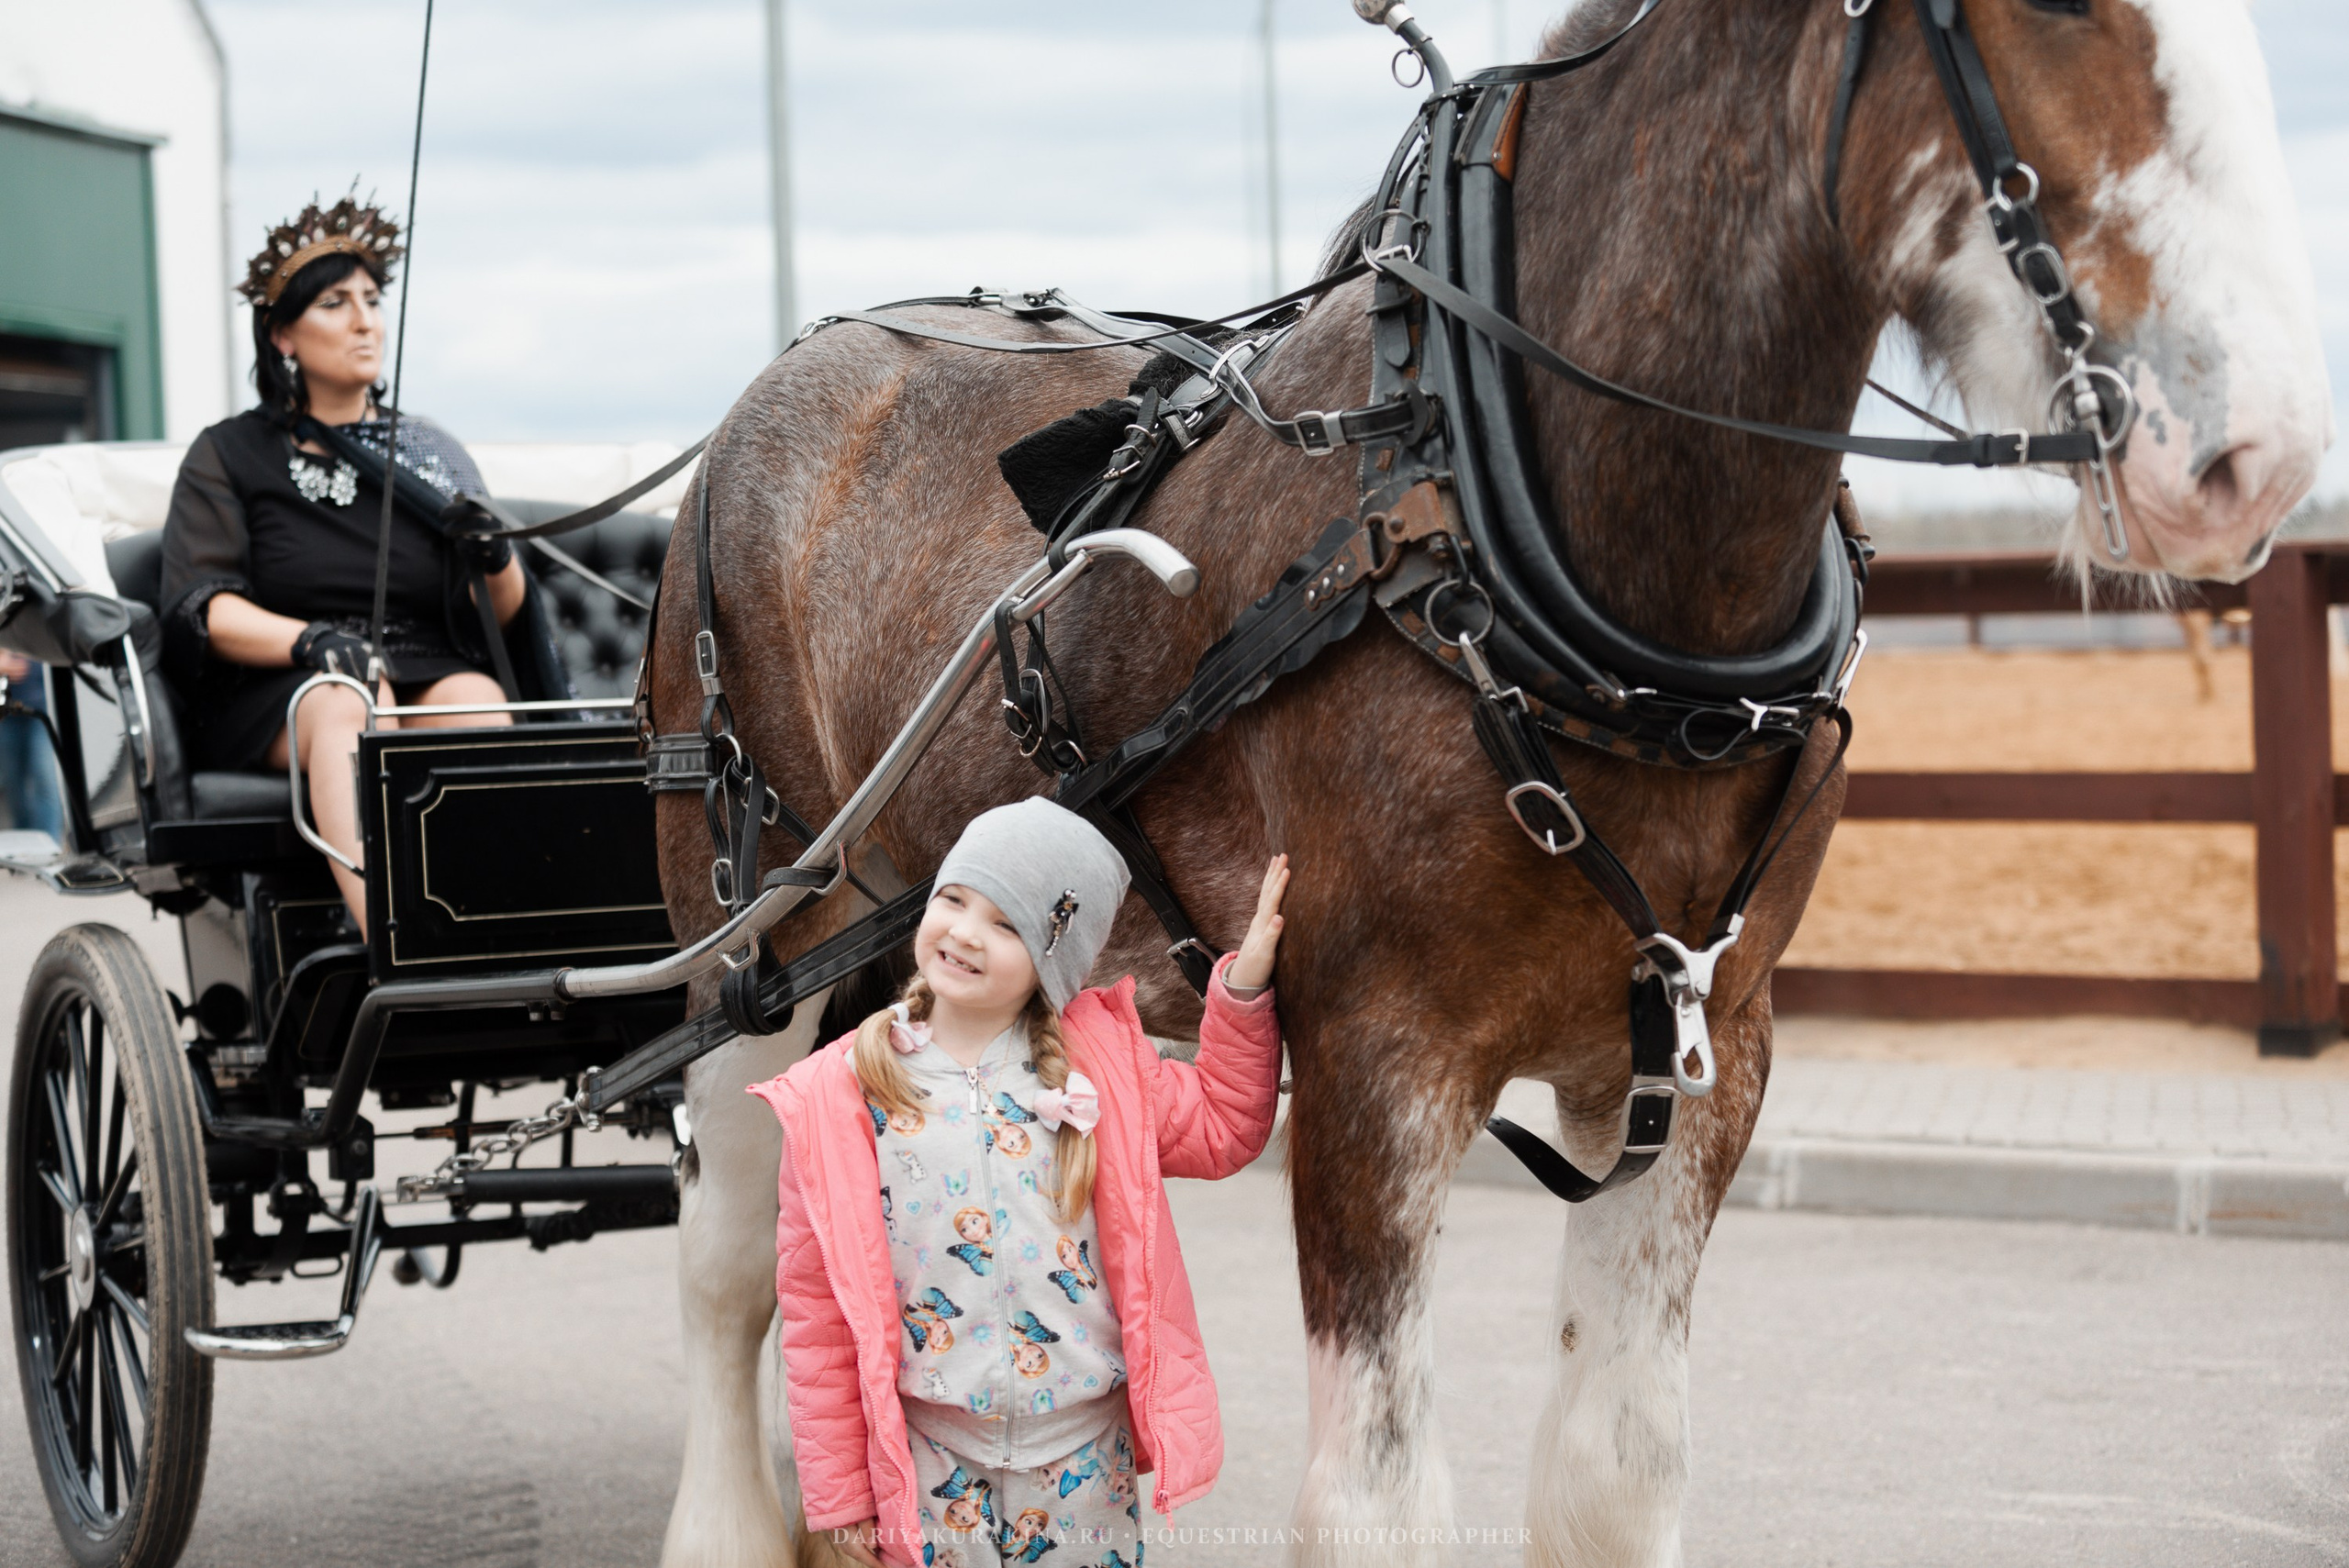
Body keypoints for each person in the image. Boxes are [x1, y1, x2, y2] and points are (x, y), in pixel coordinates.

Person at [752, 798, 1289, 1568]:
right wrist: (840, 1507)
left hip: (1083, 1463)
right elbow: (816, 1321)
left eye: (1007, 924)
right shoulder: (839, 1094)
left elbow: (1222, 1125)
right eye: (955, 898)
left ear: (1054, 959)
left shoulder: (1101, 1068)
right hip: (931, 1463)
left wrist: (1242, 992)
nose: (967, 931)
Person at [158, 192, 568, 933]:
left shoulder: (430, 451)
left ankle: (497, 927)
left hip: (421, 660)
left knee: (476, 696)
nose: (364, 320)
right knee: (351, 693)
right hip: (284, 683)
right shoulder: (230, 453)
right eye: (335, 303)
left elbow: (498, 615)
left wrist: (495, 555)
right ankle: (393, 937)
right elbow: (203, 602)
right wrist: (310, 642)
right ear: (283, 335)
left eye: (373, 300)